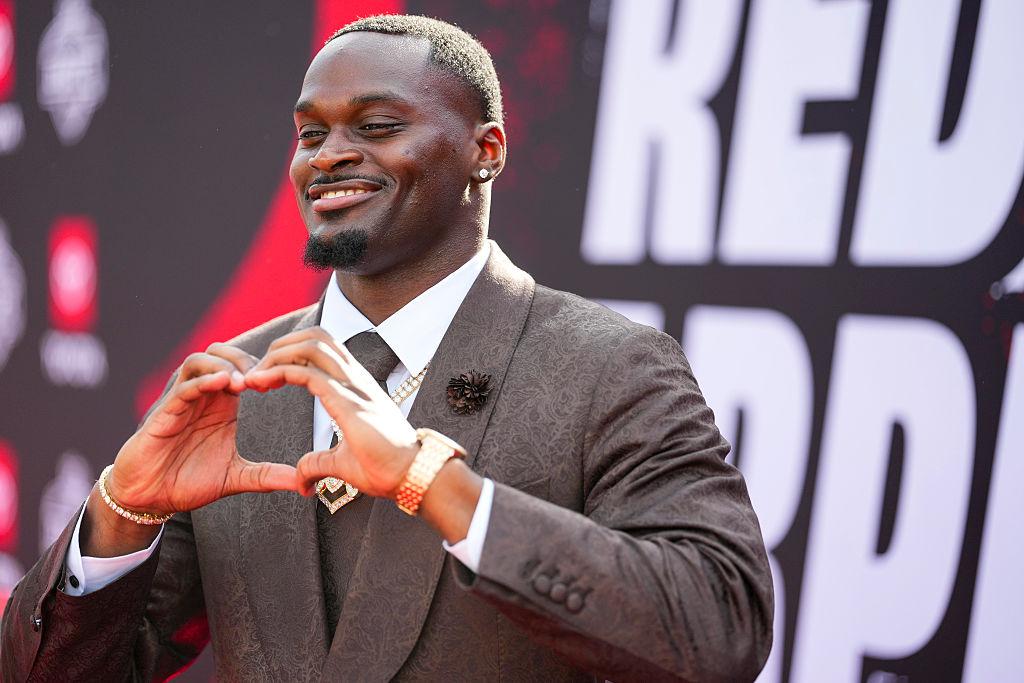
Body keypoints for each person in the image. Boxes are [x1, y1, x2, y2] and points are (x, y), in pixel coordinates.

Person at [0, 15, 772, 682]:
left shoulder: (609, 368)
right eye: (311, 134)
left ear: (486, 150)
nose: (327, 155)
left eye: (375, 127)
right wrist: (121, 510)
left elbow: (719, 628)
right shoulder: (238, 385)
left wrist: (428, 479)